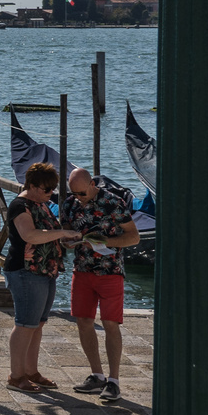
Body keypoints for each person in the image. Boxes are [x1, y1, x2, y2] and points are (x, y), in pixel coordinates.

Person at [3, 162, 82, 393]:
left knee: (38, 324)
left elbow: (48, 234)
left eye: (53, 190)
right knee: (25, 324)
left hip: (46, 270)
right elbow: (30, 235)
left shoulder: (43, 204)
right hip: (25, 271)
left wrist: (66, 240)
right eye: (46, 189)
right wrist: (62, 232)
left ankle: (31, 371)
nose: (50, 194)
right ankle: (16, 376)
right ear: (33, 186)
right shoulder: (20, 205)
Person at [62, 168, 139, 402]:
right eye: (74, 194)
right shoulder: (69, 205)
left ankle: (114, 381)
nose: (79, 198)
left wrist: (106, 241)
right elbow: (65, 234)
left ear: (93, 184)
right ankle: (97, 375)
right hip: (82, 269)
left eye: (82, 193)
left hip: (110, 270)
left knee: (110, 323)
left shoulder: (113, 202)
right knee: (84, 322)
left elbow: (133, 237)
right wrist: (68, 242)